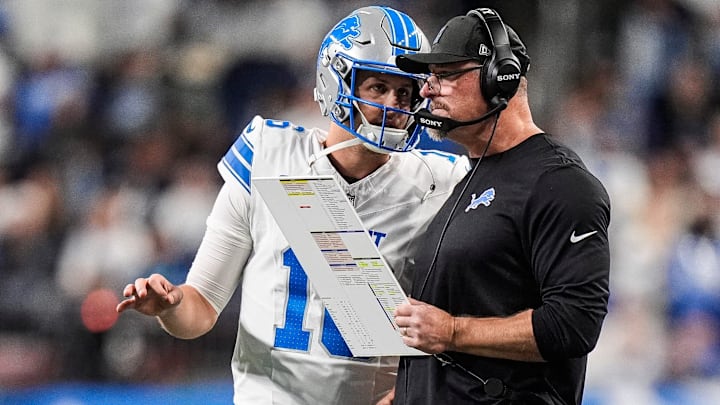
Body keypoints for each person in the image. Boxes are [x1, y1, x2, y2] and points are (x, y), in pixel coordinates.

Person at [116, 6, 469, 405]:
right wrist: (171, 305)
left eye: (404, 92)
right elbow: (200, 310)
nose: (393, 104)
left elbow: (460, 326)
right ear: (337, 83)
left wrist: (411, 390)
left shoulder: (438, 183)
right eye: (377, 88)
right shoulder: (268, 154)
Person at [385, 7, 612, 405]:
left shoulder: (560, 184)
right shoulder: (467, 180)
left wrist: (453, 330)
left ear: (499, 78)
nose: (426, 90)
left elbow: (574, 324)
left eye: (445, 75)